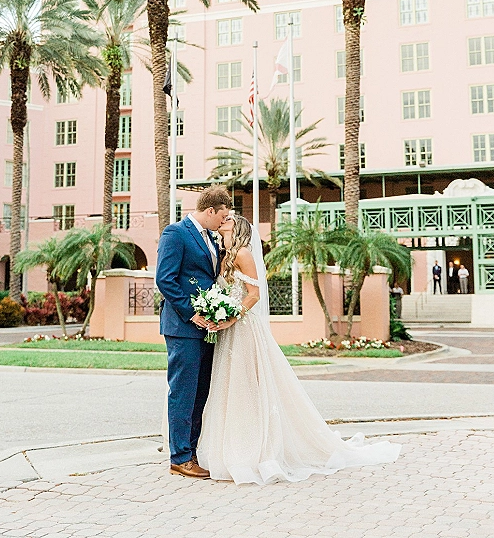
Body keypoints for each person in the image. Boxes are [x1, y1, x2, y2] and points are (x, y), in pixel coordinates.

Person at [197, 214, 401, 485]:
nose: (225, 219)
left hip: (244, 329)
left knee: (250, 387)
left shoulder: (244, 254)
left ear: (239, 228)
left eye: (230, 219)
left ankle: (257, 449)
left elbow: (254, 294)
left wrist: (232, 316)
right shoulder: (224, 257)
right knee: (229, 388)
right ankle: (229, 447)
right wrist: (215, 312)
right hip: (226, 333)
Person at [156, 186, 232, 479]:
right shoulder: (175, 233)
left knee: (200, 392)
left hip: (207, 326)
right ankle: (180, 457)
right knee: (183, 391)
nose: (222, 222)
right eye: (221, 216)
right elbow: (166, 279)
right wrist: (193, 312)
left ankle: (192, 450)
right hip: (183, 326)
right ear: (210, 210)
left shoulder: (212, 238)